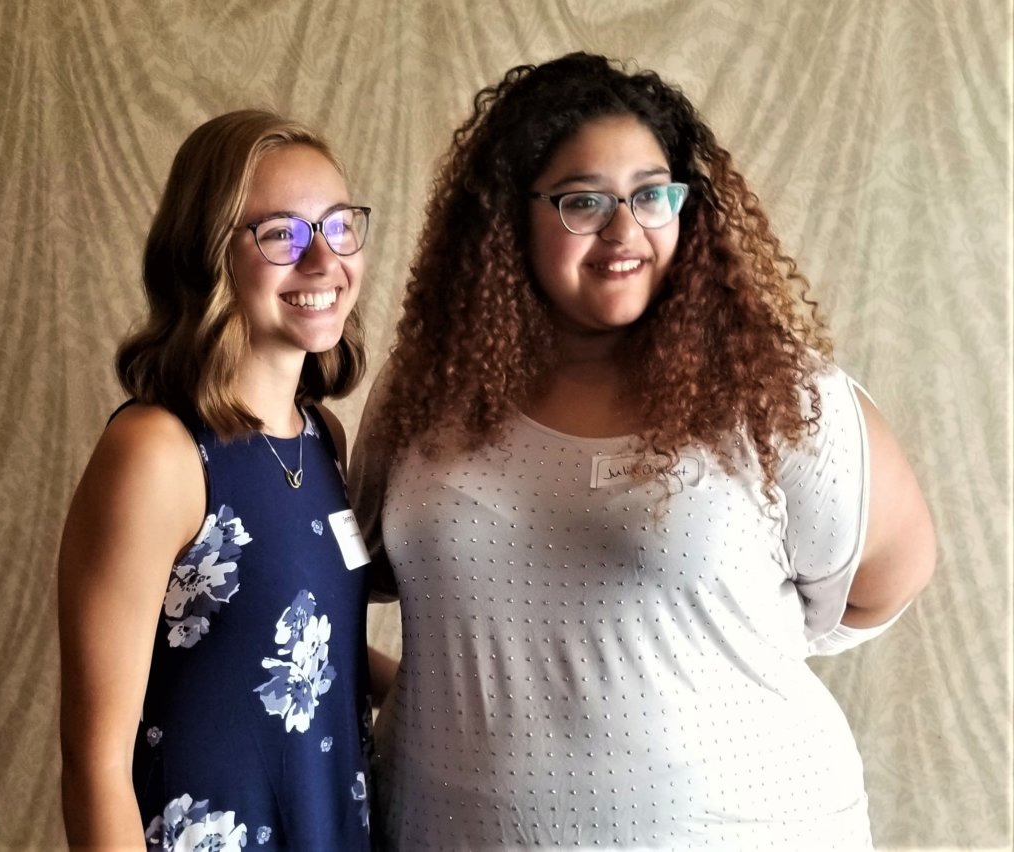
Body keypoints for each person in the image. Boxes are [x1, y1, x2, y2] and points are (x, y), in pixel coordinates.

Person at [349, 52, 936, 850]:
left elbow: (888, 579)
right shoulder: (427, 389)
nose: (625, 231)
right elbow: (363, 576)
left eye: (653, 195)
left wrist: (694, 649)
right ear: (508, 217)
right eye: (584, 201)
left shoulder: (777, 398)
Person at [58, 109, 377, 850]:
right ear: (208, 252)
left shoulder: (322, 439)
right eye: (282, 234)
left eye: (338, 226)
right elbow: (94, 765)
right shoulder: (156, 452)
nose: (323, 260)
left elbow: (302, 644)